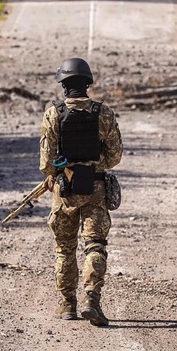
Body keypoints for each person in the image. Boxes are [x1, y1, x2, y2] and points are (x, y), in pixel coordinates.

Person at [39, 57, 123, 326]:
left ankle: (67, 305)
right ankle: (92, 301)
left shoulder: (53, 113)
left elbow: (46, 162)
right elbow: (115, 156)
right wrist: (96, 164)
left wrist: (57, 171)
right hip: (96, 190)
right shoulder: (104, 113)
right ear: (87, 83)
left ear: (63, 85)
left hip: (64, 192)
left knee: (64, 249)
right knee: (95, 246)